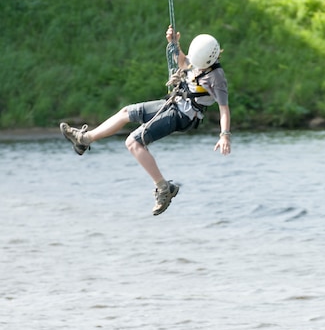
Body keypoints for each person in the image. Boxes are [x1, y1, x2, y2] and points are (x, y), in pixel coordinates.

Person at [60, 25, 231, 215]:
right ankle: (85, 139)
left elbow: (224, 109)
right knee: (126, 112)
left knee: (133, 142)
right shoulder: (199, 58)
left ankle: (164, 189)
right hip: (173, 103)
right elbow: (184, 64)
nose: (196, 65)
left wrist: (224, 135)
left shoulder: (217, 78)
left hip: (182, 116)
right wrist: (174, 44)